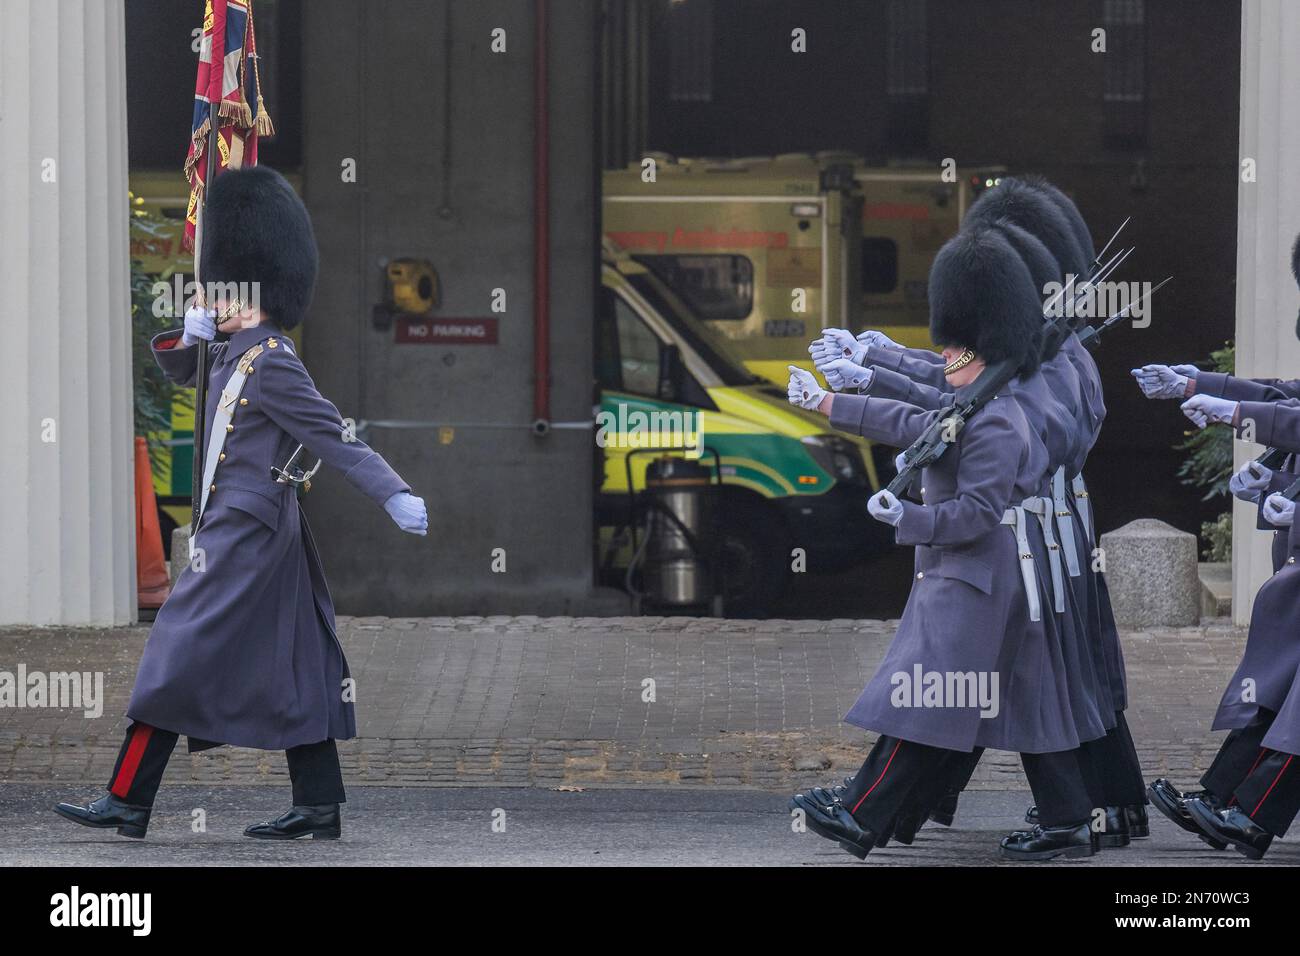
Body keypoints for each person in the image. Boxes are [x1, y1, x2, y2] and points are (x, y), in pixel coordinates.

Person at [53, 166, 428, 841]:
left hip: (243, 536)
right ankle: (317, 806)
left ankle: (127, 799)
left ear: (248, 291)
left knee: (172, 649)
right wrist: (189, 334)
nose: (207, 296)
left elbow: (333, 435)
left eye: (215, 289)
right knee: (300, 663)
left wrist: (391, 489)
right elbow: (181, 369)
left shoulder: (274, 360)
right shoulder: (233, 352)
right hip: (253, 532)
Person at [787, 226, 1096, 861]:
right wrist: (832, 398)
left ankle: (861, 814)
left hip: (978, 578)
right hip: (988, 575)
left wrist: (907, 518)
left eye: (957, 351)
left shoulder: (999, 418)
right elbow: (921, 416)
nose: (948, 359)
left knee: (924, 700)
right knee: (1016, 699)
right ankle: (1068, 818)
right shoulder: (985, 398)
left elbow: (976, 513)